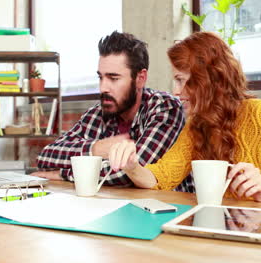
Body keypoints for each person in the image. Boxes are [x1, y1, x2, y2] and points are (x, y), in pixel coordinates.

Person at [108, 32, 261, 206]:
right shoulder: (198, 125)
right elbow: (161, 177)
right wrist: (132, 166)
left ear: (207, 81)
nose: (175, 91)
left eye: (181, 80)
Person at [33, 31, 186, 188]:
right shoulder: (97, 114)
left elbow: (133, 172)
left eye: (113, 78)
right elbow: (46, 157)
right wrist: (95, 149)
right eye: (101, 77)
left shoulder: (166, 108)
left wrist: (62, 174)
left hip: (168, 208)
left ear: (140, 78)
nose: (103, 88)